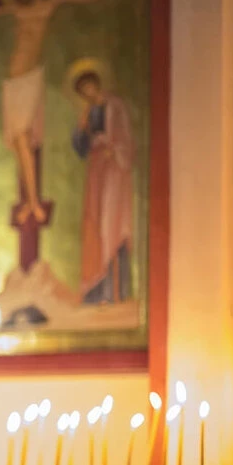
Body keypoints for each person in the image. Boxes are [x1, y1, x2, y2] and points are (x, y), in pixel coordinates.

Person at [0, 0, 134, 226]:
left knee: (24, 140)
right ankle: (30, 202)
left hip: (30, 79)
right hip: (13, 82)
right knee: (20, 143)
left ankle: (32, 202)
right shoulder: (15, 9)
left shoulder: (49, 2)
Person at [70, 69, 134, 304]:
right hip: (96, 172)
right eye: (82, 91)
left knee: (113, 225)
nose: (87, 93)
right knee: (96, 226)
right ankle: (97, 291)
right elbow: (81, 148)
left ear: (96, 84)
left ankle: (117, 291)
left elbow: (125, 139)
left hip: (114, 172)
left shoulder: (114, 106)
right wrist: (81, 127)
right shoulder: (89, 112)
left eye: (89, 87)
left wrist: (114, 149)